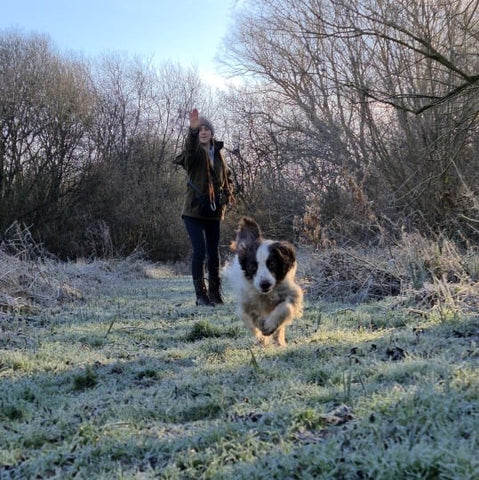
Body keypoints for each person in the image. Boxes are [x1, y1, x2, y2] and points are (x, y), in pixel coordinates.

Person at [174, 108, 234, 306]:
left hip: (214, 212)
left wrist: (226, 198)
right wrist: (191, 131)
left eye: (207, 129)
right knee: (199, 251)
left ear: (212, 132)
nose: (203, 132)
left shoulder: (218, 155)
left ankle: (215, 294)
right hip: (193, 211)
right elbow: (190, 148)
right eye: (200, 130)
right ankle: (201, 295)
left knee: (213, 253)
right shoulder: (193, 155)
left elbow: (227, 179)